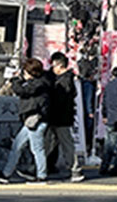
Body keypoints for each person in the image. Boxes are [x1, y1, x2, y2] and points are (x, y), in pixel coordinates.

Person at [0, 58, 52, 185]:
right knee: (17, 146)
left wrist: (15, 80)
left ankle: (41, 175)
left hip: (36, 120)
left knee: (37, 149)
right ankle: (6, 173)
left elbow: (22, 90)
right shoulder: (39, 81)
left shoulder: (40, 83)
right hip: (30, 120)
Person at [45, 52, 85, 182]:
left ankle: (75, 170)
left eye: (53, 65)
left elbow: (63, 98)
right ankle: (47, 166)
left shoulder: (66, 80)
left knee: (67, 144)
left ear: (59, 65)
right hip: (54, 117)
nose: (51, 67)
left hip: (61, 118)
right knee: (49, 143)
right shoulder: (56, 78)